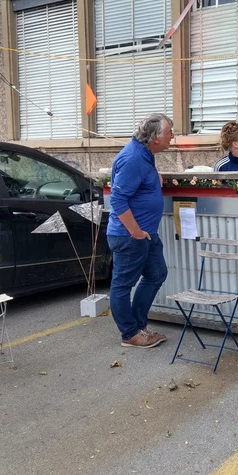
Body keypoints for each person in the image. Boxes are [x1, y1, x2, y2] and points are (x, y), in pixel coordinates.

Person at [106, 113, 173, 348]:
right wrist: (135, 232)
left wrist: (154, 177)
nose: (172, 137)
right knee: (122, 284)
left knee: (156, 274)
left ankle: (138, 325)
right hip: (130, 235)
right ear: (155, 137)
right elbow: (118, 199)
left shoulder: (145, 155)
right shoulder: (133, 158)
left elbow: (137, 184)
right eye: (169, 133)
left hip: (146, 234)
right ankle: (130, 334)